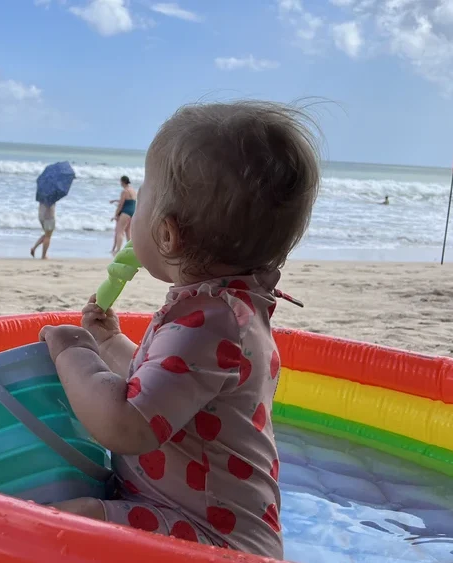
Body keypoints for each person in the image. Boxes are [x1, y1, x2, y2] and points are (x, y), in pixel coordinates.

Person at [37, 101, 319, 559]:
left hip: (214, 543)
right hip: (207, 527)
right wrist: (108, 343)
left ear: (167, 235)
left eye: (143, 199)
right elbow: (166, 391)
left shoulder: (211, 322)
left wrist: (74, 351)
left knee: (71, 519)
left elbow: (126, 424)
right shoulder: (226, 311)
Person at [110, 175, 137, 255]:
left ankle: (118, 250)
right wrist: (115, 200)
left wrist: (116, 215)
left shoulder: (124, 191)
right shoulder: (132, 190)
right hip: (132, 212)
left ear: (122, 182)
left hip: (125, 212)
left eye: (120, 182)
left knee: (120, 231)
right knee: (128, 232)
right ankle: (131, 249)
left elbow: (121, 204)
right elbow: (129, 201)